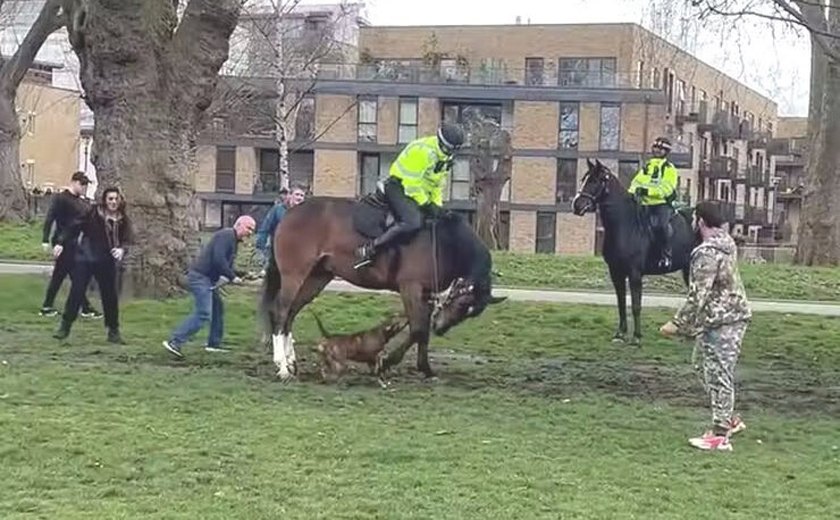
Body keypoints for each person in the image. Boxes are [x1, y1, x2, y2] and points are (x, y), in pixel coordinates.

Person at [659, 201, 752, 452]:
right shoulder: (727, 242)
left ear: (699, 222)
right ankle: (728, 417)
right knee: (702, 364)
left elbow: (697, 296)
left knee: (719, 373)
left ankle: (720, 435)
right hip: (721, 318)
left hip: (725, 321)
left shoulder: (706, 254)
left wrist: (677, 324)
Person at [354, 122, 465, 269]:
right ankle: (371, 249)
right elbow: (412, 184)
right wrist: (426, 204)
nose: (449, 154)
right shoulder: (423, 151)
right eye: (448, 149)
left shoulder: (445, 158)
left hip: (418, 193)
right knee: (412, 222)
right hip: (399, 186)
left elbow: (437, 185)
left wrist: (437, 206)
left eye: (452, 151)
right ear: (440, 141)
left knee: (438, 221)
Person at [163, 215, 256, 358]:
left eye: (252, 230)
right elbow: (218, 260)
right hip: (200, 278)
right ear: (238, 224)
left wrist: (244, 274)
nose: (250, 232)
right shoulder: (225, 236)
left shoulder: (232, 240)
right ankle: (175, 341)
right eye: (248, 228)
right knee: (204, 313)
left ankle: (214, 344)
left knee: (217, 309)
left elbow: (225, 264)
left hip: (208, 280)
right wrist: (232, 277)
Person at [53, 187, 134, 344]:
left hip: (106, 260)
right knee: (77, 292)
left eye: (116, 199)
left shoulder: (122, 219)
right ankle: (65, 326)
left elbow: (127, 238)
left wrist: (122, 249)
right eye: (110, 199)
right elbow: (74, 227)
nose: (113, 202)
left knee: (110, 295)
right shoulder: (93, 213)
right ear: (104, 200)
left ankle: (113, 331)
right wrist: (60, 243)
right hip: (86, 258)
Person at [40, 171, 100, 318]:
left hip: (73, 242)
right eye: (82, 185)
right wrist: (46, 240)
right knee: (62, 275)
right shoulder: (61, 199)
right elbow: (51, 218)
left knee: (72, 276)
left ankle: (84, 307)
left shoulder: (80, 202)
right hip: (62, 242)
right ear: (74, 182)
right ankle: (48, 306)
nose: (83, 188)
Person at [628, 136, 680, 269]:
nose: (657, 151)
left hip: (661, 205)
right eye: (655, 147)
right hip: (645, 204)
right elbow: (636, 182)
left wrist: (647, 192)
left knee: (662, 227)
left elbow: (667, 188)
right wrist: (633, 192)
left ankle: (666, 255)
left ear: (666, 152)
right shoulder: (647, 166)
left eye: (661, 149)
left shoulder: (669, 168)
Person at [255, 184, 306, 273]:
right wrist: (260, 247)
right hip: (277, 249)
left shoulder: (305, 213)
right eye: (297, 194)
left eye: (302, 196)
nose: (299, 198)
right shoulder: (278, 210)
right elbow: (266, 227)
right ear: (290, 195)